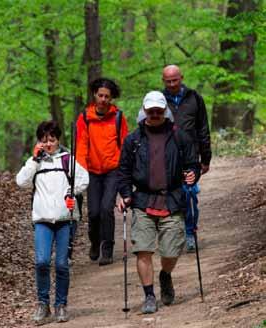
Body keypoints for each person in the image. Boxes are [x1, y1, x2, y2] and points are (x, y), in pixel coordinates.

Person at [117, 91, 200, 314]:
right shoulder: (133, 140)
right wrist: (125, 193)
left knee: (171, 252)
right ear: (144, 111)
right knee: (143, 249)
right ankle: (149, 295)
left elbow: (193, 164)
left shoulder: (180, 137)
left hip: (172, 199)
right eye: (150, 111)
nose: (154, 114)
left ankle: (165, 275)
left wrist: (192, 174)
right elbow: (123, 171)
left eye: (158, 111)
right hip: (142, 200)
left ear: (165, 112)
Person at [16, 120, 89, 325]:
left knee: (61, 264)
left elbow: (84, 179)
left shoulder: (67, 159)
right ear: (39, 141)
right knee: (41, 262)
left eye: (52, 139)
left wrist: (71, 192)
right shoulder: (36, 162)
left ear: (58, 140)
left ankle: (61, 305)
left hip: (66, 219)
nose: (48, 144)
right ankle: (42, 303)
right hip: (42, 220)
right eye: (44, 140)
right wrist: (33, 159)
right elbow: (20, 181)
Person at [76, 78, 128, 265]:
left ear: (112, 98)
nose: (104, 99)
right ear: (94, 95)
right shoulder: (84, 117)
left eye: (107, 96)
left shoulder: (119, 117)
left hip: (113, 170)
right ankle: (95, 242)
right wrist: (80, 170)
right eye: (100, 95)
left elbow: (125, 145)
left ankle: (107, 248)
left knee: (107, 208)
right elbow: (81, 145)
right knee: (94, 213)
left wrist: (125, 171)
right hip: (91, 171)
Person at [162, 64, 212, 252]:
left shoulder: (194, 98)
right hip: (166, 157)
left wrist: (205, 158)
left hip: (190, 156)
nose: (173, 84)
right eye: (169, 81)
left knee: (190, 194)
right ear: (163, 81)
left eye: (175, 80)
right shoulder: (158, 101)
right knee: (171, 197)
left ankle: (190, 232)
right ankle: (173, 233)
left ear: (181, 77)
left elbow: (203, 128)